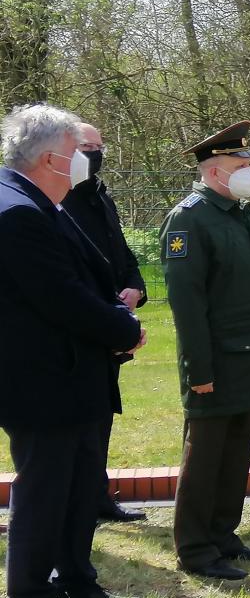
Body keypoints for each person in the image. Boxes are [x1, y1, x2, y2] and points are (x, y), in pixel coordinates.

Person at [0, 104, 145, 598]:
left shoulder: (42, 201)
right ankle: (33, 595)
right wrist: (123, 328)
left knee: (79, 487)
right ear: (46, 159)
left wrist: (116, 317)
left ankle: (78, 580)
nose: (84, 161)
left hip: (75, 377)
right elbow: (60, 296)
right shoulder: (17, 210)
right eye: (74, 153)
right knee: (46, 491)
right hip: (44, 383)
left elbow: (90, 277)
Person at [161, 120, 250, 580]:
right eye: (240, 165)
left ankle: (222, 534)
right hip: (215, 361)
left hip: (249, 355)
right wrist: (200, 368)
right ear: (216, 172)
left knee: (236, 452)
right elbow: (187, 302)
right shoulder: (189, 218)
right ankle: (195, 549)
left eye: (248, 164)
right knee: (205, 458)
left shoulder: (238, 212)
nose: (248, 172)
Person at [61, 122, 148, 523]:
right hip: (85, 326)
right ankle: (75, 499)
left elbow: (121, 252)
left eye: (99, 146)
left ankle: (97, 497)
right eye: (85, 147)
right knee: (77, 420)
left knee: (102, 415)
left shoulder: (100, 196)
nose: (94, 154)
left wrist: (134, 287)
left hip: (112, 323)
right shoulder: (58, 202)